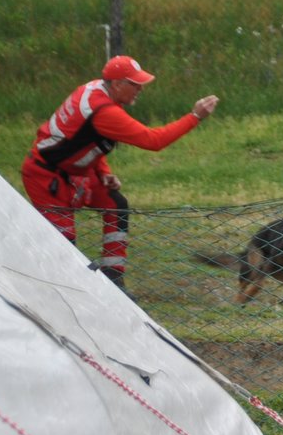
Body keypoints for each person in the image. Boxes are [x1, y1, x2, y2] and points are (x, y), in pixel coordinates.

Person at [21, 55, 219, 291]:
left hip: (76, 171)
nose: (140, 89)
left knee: (115, 205)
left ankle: (113, 280)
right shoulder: (104, 111)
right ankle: (54, 290)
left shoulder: (95, 88)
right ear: (116, 85)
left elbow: (83, 137)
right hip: (46, 177)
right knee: (64, 245)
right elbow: (153, 140)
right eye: (135, 84)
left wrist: (103, 170)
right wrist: (195, 117)